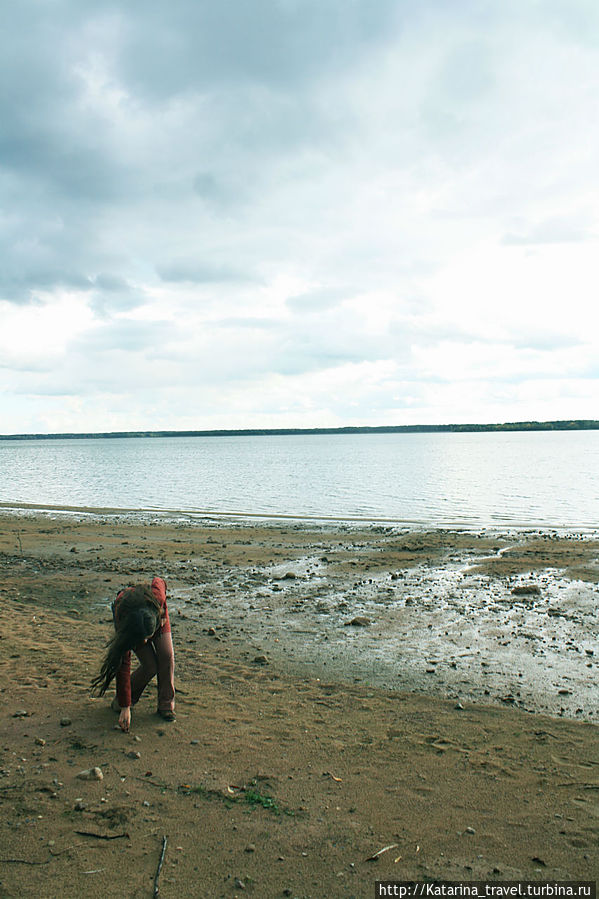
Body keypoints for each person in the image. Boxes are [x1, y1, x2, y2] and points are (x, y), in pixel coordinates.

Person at [91, 576, 175, 731]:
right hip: (134, 622)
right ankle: (126, 699)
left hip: (156, 615)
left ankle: (166, 706)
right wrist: (125, 706)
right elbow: (123, 664)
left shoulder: (158, 597)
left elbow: (159, 580)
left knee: (166, 655)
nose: (144, 643)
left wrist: (162, 615)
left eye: (146, 639)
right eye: (142, 640)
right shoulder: (123, 617)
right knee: (150, 666)